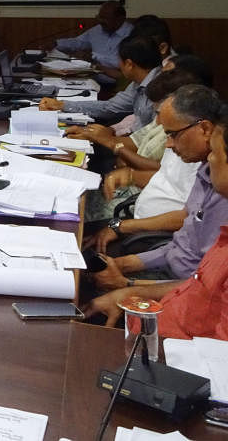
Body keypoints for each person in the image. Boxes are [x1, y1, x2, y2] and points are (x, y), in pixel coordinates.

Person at [82, 122, 228, 340]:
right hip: (170, 301)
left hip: (178, 338)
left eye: (215, 153)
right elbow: (185, 257)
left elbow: (202, 299)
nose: (209, 158)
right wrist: (126, 273)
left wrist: (129, 288)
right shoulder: (209, 180)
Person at [87, 85, 228, 291]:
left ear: (205, 129)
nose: (168, 144)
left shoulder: (221, 194)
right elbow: (180, 246)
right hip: (165, 269)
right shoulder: (206, 171)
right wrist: (124, 264)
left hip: (177, 291)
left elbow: (205, 289)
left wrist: (130, 286)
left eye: (173, 135)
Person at [77, 69, 202, 227]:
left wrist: (123, 228)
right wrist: (131, 174)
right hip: (134, 207)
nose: (168, 142)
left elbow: (190, 216)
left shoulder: (195, 151)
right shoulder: (176, 135)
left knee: (76, 217)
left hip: (143, 222)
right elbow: (163, 173)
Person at [40, 36, 162, 129]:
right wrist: (61, 105)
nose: (118, 65)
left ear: (129, 64)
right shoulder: (139, 83)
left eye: (119, 60)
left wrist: (113, 142)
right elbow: (109, 107)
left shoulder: (161, 88)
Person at [54, 1, 133, 71]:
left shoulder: (131, 34)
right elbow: (78, 42)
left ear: (120, 19)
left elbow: (121, 63)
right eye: (99, 17)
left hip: (116, 82)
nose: (101, 21)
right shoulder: (98, 30)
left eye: (105, 18)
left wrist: (93, 57)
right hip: (92, 76)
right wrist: (56, 44)